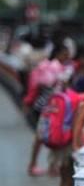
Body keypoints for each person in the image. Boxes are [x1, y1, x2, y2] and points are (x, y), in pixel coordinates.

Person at [24, 45, 71, 175]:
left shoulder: (51, 67)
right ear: (59, 54)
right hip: (51, 108)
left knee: (49, 136)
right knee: (46, 136)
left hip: (52, 108)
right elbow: (53, 85)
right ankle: (37, 165)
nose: (67, 57)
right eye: (65, 54)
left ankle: (48, 165)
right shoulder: (54, 67)